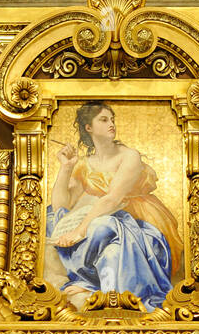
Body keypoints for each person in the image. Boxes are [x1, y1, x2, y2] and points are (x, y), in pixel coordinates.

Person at [47, 102, 183, 312]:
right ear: (88, 127)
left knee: (103, 226)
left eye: (112, 119)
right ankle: (90, 283)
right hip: (96, 216)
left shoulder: (129, 156)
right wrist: (66, 168)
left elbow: (112, 199)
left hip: (135, 218)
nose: (111, 124)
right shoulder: (85, 164)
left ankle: (107, 291)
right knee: (52, 219)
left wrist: (78, 231)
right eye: (104, 119)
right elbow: (61, 206)